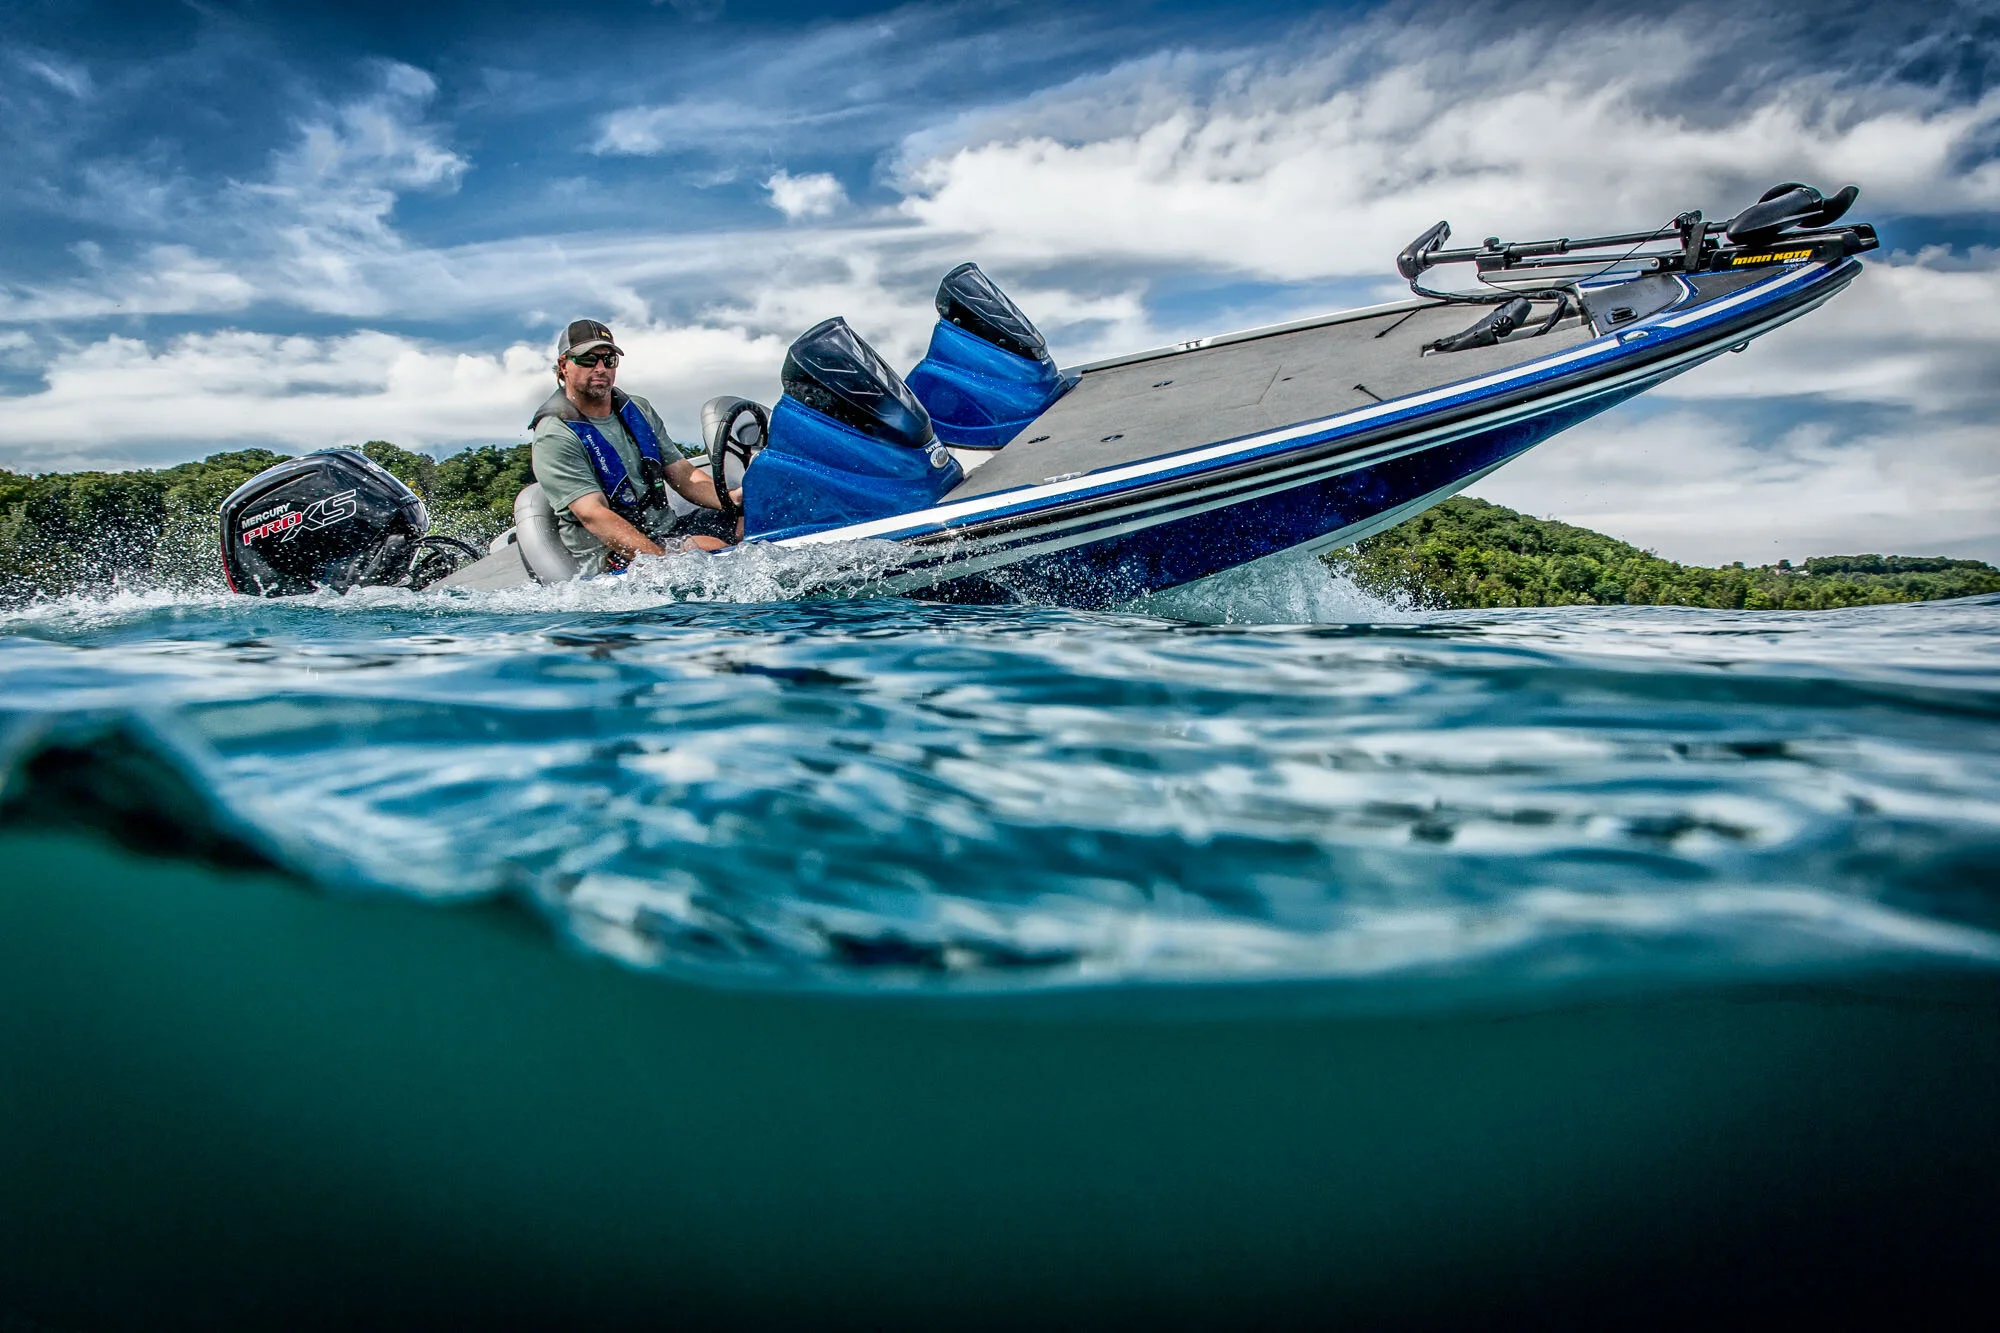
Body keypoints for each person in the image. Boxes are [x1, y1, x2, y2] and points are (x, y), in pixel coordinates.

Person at [528, 318, 737, 575]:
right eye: (587, 360)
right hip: (612, 556)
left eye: (609, 359)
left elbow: (683, 473)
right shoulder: (555, 435)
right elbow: (594, 515)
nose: (601, 368)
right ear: (563, 366)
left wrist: (730, 499)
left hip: (666, 532)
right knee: (711, 548)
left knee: (752, 521)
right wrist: (662, 562)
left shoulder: (639, 409)